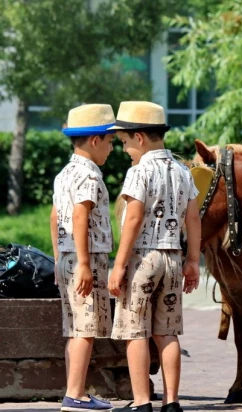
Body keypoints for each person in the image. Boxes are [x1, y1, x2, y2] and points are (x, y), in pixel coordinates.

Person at [107, 101, 201, 412]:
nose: (124, 149)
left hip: (143, 259)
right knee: (167, 332)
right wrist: (192, 262)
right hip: (173, 258)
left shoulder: (140, 171)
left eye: (124, 142)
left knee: (135, 332)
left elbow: (133, 219)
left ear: (140, 137)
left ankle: (142, 401)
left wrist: (119, 264)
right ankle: (172, 402)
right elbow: (194, 219)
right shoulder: (182, 170)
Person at [50, 104, 116, 411]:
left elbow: (55, 217)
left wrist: (58, 257)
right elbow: (80, 215)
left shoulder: (65, 173)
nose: (113, 147)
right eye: (110, 141)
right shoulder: (89, 174)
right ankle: (74, 396)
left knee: (75, 328)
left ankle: (75, 390)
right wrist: (86, 264)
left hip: (66, 257)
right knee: (86, 329)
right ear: (94, 140)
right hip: (85, 259)